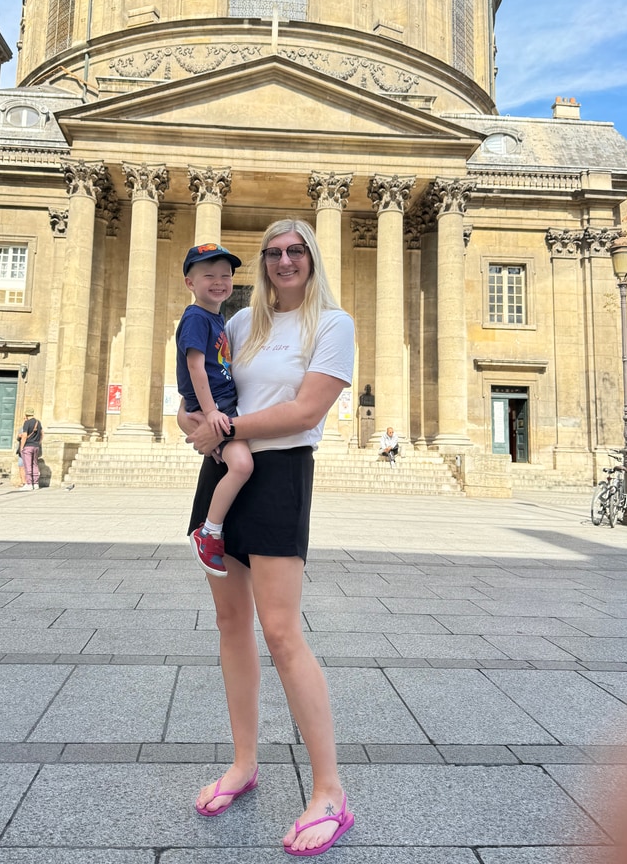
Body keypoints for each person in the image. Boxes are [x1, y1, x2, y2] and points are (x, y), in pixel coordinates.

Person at [181, 219, 356, 856]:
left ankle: (330, 793)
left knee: (281, 632)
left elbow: (307, 411)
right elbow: (200, 387)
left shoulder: (332, 324)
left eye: (296, 251)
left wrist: (224, 429)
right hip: (224, 472)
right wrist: (190, 420)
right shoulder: (236, 324)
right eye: (274, 252)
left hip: (278, 474)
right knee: (231, 625)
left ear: (311, 259)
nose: (284, 261)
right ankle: (244, 764)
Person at [176, 243, 254, 577]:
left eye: (225, 275)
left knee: (235, 461)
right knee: (242, 465)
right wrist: (209, 413)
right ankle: (208, 531)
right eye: (209, 276)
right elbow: (195, 367)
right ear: (190, 283)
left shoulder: (216, 318)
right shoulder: (196, 317)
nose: (219, 281)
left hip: (223, 406)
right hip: (217, 407)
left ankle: (212, 528)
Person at [17, 409, 42, 490]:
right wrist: (39, 442)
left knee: (27, 465)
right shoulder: (38, 422)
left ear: (26, 415)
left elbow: (24, 436)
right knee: (35, 464)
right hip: (36, 446)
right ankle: (36, 483)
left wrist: (21, 447)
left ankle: (29, 484)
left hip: (28, 446)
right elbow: (42, 433)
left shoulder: (27, 423)